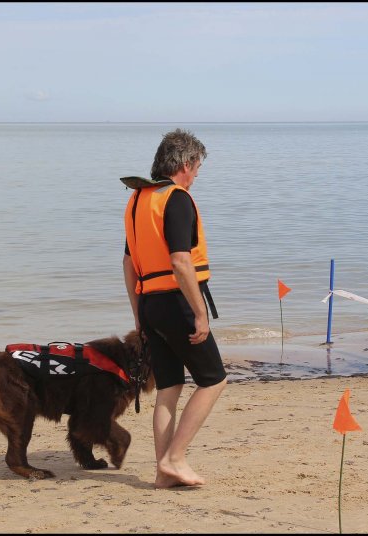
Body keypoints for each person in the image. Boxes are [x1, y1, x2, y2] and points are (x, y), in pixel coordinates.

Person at [122, 128, 227, 488]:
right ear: (184, 164)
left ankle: (162, 474)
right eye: (197, 168)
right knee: (214, 380)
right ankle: (175, 458)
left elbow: (127, 264)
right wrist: (200, 314)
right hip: (177, 302)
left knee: (169, 387)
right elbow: (181, 262)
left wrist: (139, 314)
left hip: (150, 304)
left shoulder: (138, 200)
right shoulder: (176, 199)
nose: (197, 176)